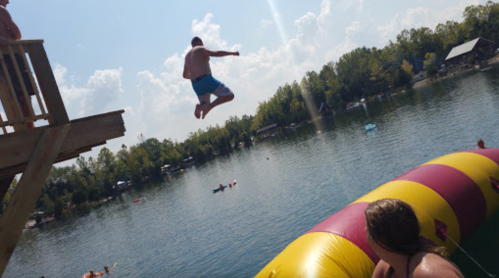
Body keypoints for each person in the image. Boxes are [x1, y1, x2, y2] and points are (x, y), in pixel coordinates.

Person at [364, 198, 464, 278]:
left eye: (367, 229)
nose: (365, 231)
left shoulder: (428, 271)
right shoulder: (386, 267)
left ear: (379, 241)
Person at [183, 37, 239, 119]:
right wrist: (232, 53)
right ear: (200, 43)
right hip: (206, 79)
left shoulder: (187, 56)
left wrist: (195, 75)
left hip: (196, 85)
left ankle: (201, 107)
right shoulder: (200, 48)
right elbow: (215, 53)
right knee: (229, 95)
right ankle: (209, 106)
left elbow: (185, 75)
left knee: (204, 104)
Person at [0, 0, 34, 129]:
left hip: (5, 57)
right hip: (11, 55)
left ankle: (24, 125)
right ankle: (29, 125)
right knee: (24, 90)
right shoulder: (1, 10)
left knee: (13, 92)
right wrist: (6, 37)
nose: (8, 1)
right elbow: (18, 34)